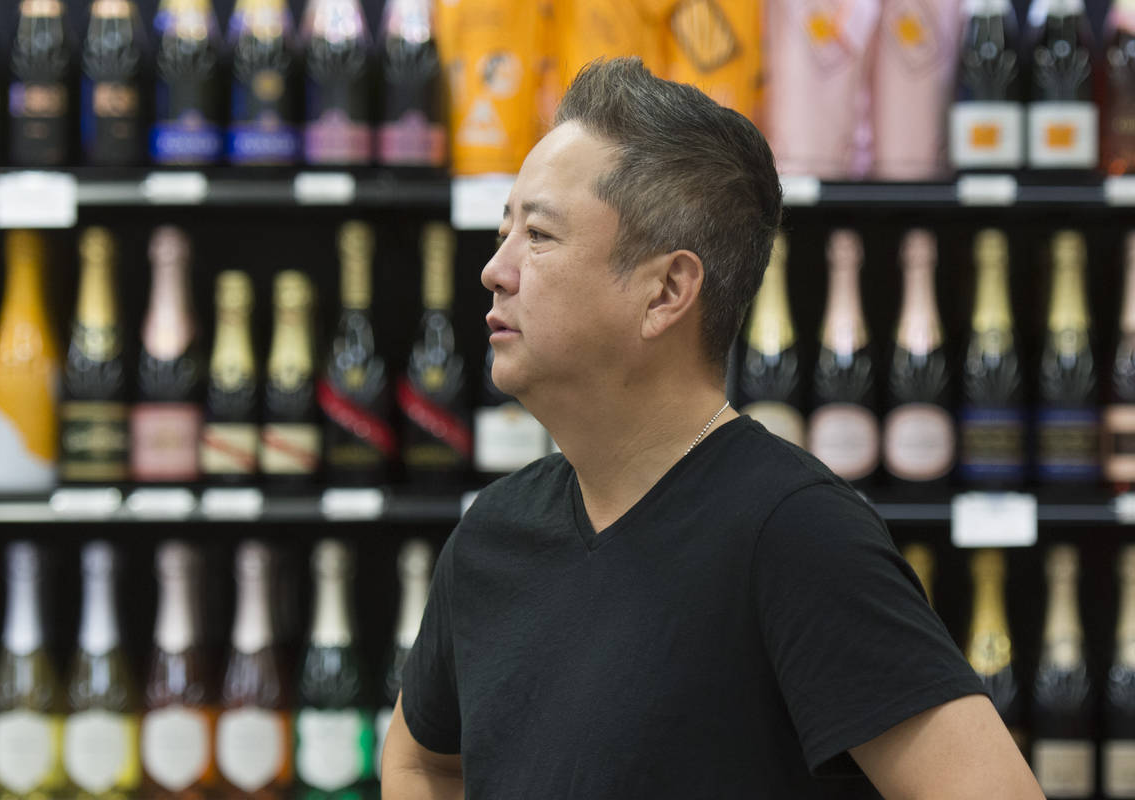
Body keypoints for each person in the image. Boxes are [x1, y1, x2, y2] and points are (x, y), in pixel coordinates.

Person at [381, 57, 1043, 799]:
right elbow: (418, 760)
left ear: (666, 291)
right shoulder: (492, 535)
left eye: (537, 235)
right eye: (504, 231)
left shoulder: (796, 535)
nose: (494, 270)